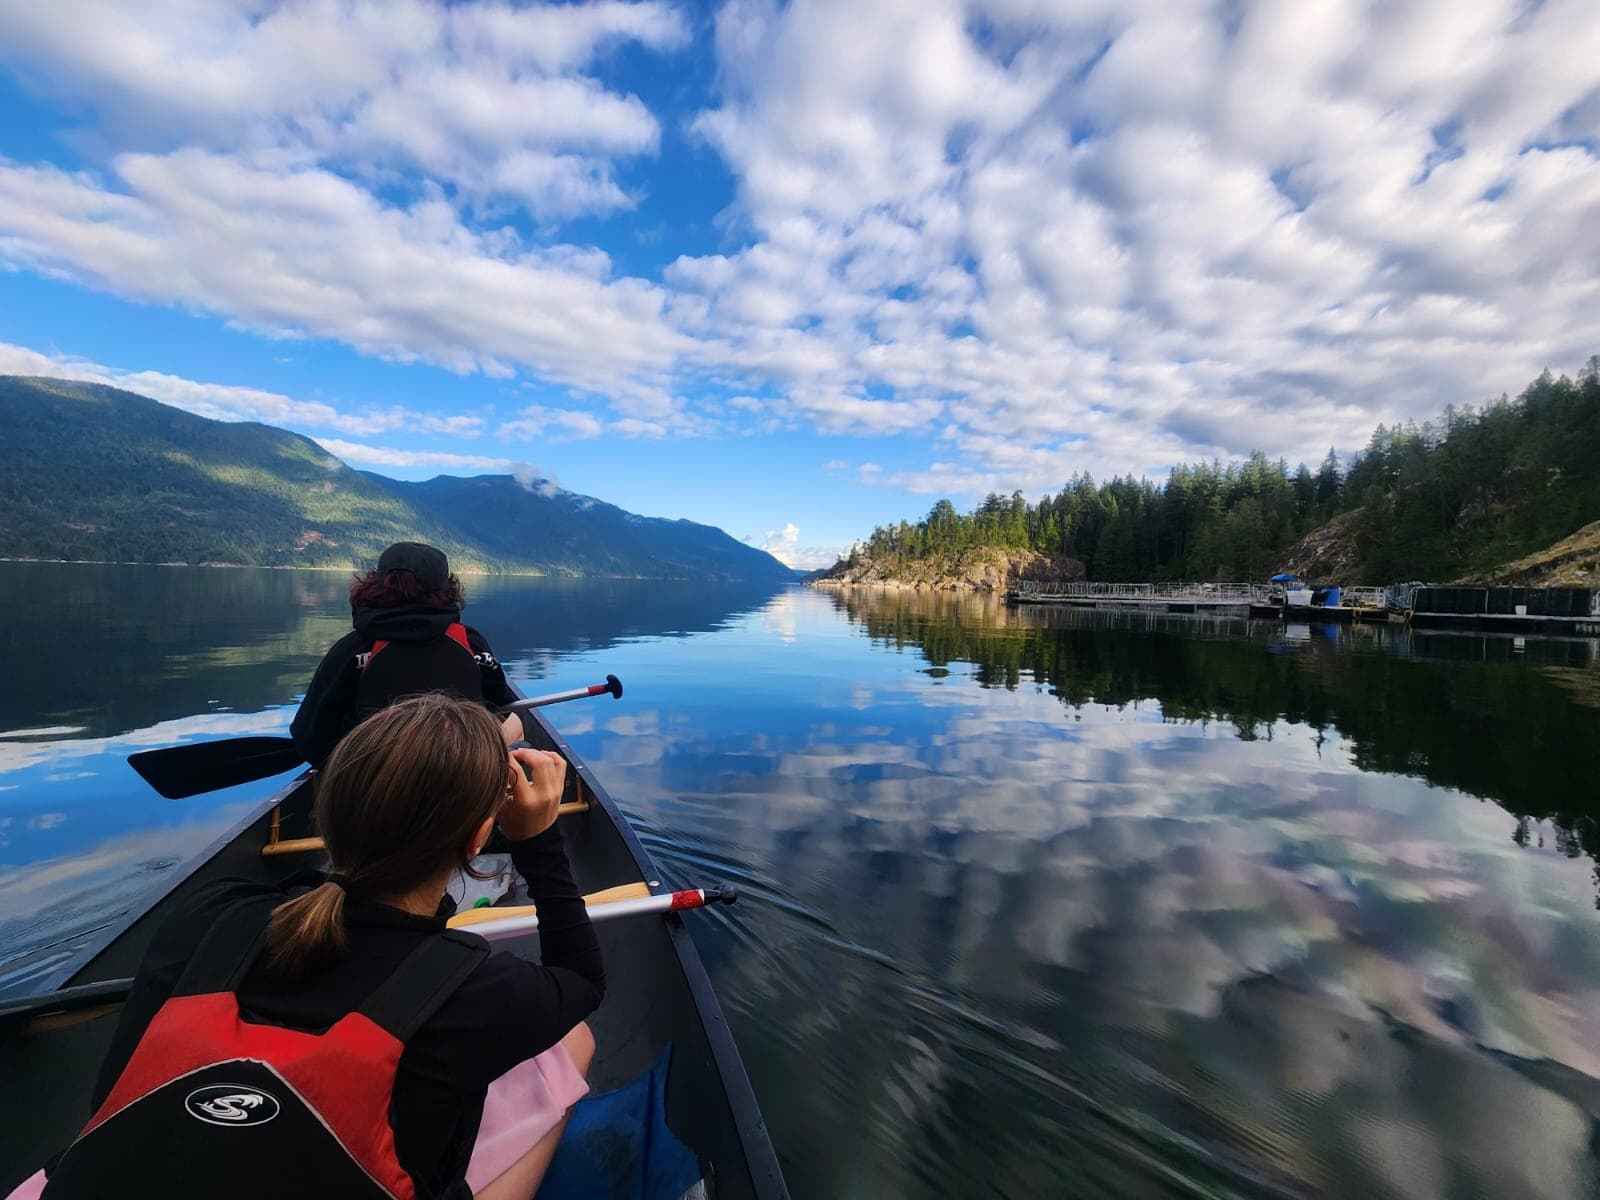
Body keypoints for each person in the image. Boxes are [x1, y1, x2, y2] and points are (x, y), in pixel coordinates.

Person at [31, 692, 604, 1200]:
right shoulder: (477, 992)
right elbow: (582, 981)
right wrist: (539, 838)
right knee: (572, 1042)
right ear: (481, 836)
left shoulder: (210, 915)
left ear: (328, 812)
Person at [292, 541, 520, 769]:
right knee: (517, 722)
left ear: (374, 585)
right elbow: (509, 709)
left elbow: (311, 741)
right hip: (466, 783)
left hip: (374, 790)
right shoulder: (470, 643)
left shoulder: (351, 651)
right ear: (446, 591)